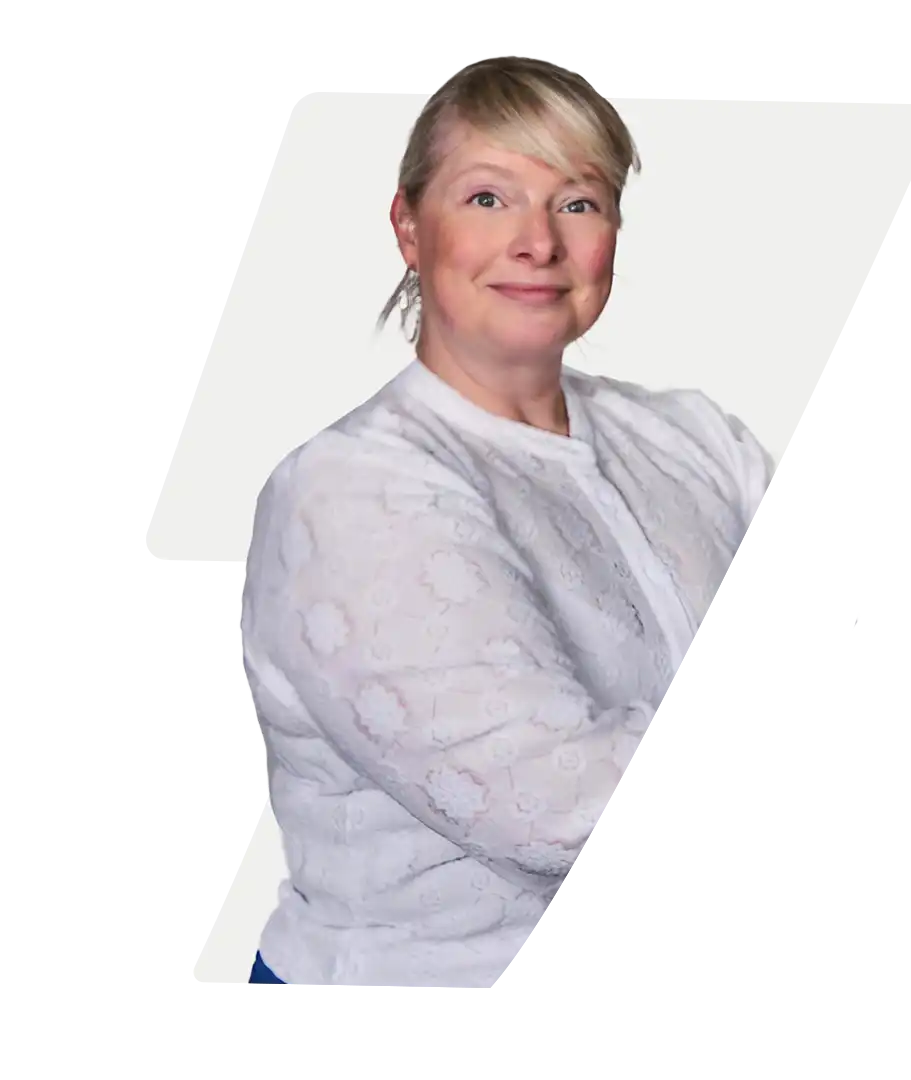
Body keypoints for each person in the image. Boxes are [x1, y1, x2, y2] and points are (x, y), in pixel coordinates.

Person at [239, 52, 774, 989]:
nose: (538, 242)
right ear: (409, 227)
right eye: (489, 198)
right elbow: (566, 815)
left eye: (578, 201)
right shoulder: (351, 495)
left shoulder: (693, 438)